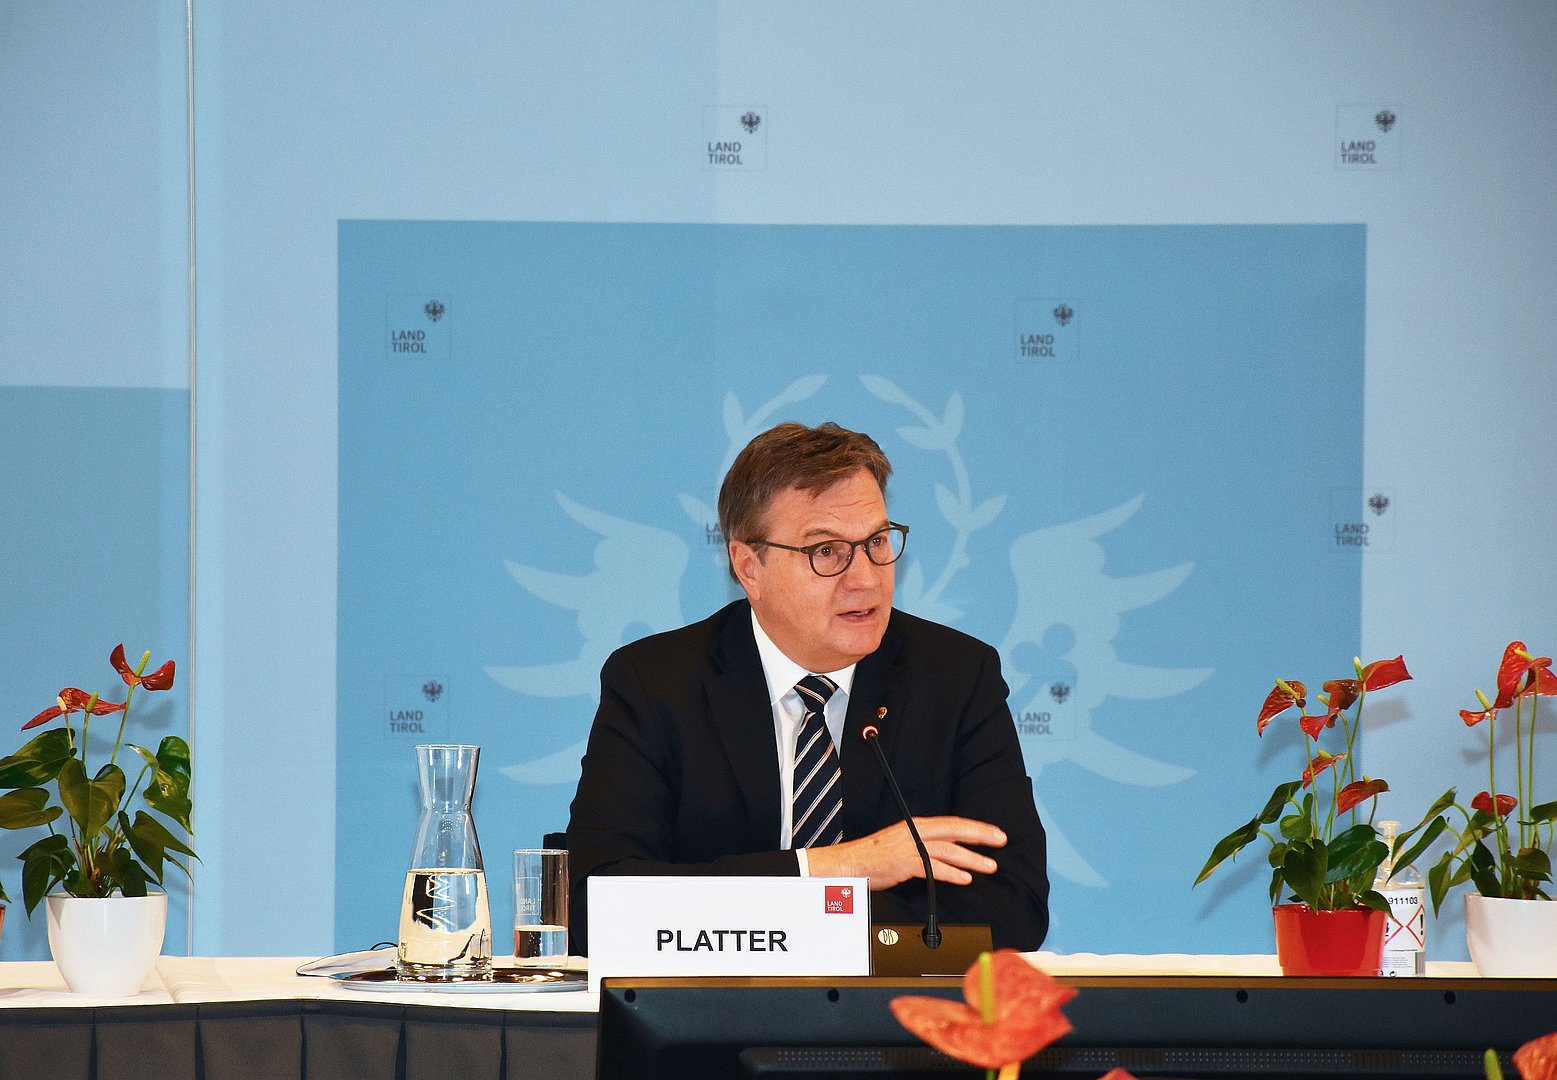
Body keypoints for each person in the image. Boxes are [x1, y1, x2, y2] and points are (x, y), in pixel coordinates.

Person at [565, 421, 1049, 952]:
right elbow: (598, 902)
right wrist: (834, 869)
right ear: (749, 568)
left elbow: (1014, 906)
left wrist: (793, 916)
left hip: (896, 1007)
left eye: (877, 542)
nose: (866, 578)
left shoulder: (956, 678)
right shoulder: (656, 684)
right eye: (826, 552)